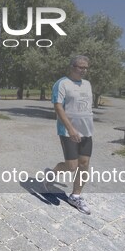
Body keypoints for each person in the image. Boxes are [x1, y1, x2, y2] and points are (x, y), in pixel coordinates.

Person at [46, 55, 93, 214]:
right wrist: (71, 129)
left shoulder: (87, 84)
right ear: (72, 67)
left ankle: (75, 196)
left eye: (86, 68)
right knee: (71, 166)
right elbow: (58, 107)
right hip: (68, 131)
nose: (84, 71)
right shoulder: (61, 84)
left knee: (84, 163)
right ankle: (52, 174)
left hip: (86, 130)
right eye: (81, 67)